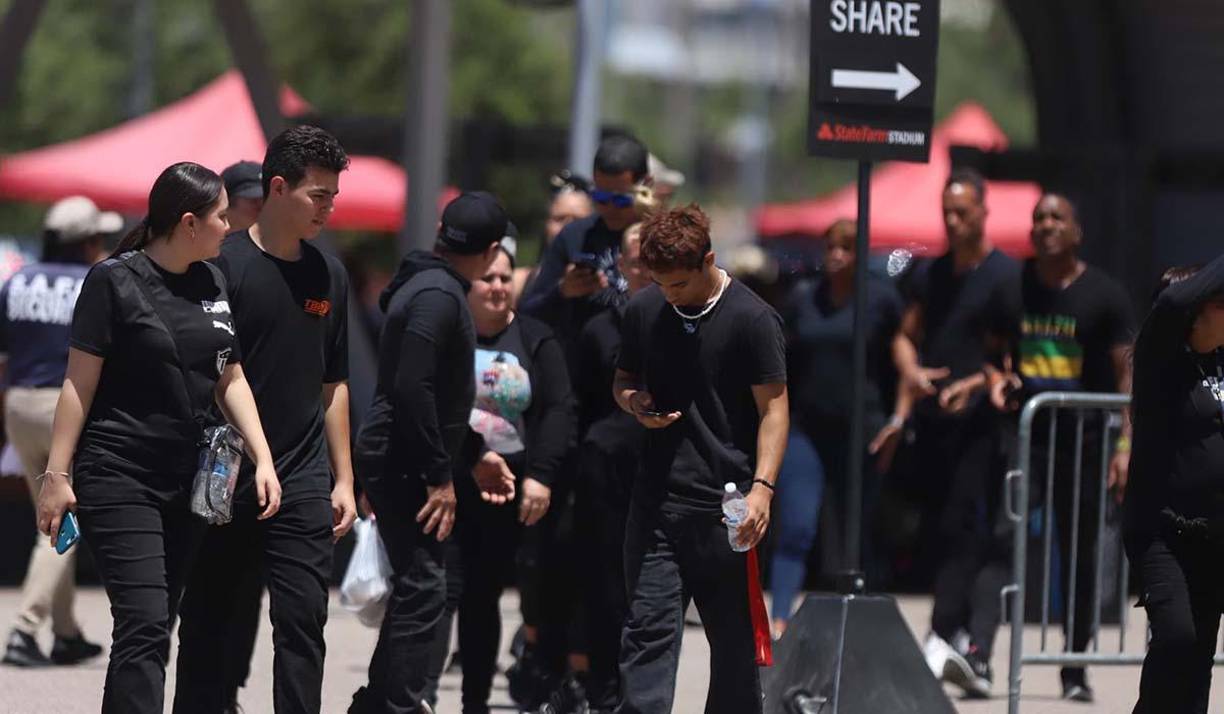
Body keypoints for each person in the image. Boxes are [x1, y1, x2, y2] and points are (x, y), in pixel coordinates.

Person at [35, 162, 282, 713]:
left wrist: (263, 458)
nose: (231, 226)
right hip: (118, 473)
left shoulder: (211, 280)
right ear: (189, 222)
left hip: (185, 479)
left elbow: (230, 376)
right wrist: (57, 474)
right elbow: (78, 384)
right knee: (145, 623)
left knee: (150, 629)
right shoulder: (112, 281)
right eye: (222, 217)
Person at [174, 126, 356, 714]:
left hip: (302, 476)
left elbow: (334, 384)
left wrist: (344, 478)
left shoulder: (330, 276)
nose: (330, 208)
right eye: (319, 196)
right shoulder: (220, 268)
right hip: (223, 472)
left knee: (303, 622)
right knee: (208, 619)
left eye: (334, 196)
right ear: (279, 188)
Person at [613, 204, 788, 714]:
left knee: (734, 649)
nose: (670, 295)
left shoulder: (753, 319)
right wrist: (633, 403)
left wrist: (763, 488)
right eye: (660, 284)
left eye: (680, 285)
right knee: (647, 632)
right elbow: (623, 380)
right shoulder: (644, 311)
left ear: (708, 260)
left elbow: (774, 410)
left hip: (727, 507)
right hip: (656, 504)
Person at [349, 191, 517, 714]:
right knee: (425, 587)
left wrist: (472, 453)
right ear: (492, 248)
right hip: (403, 459)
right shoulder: (437, 296)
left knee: (419, 586)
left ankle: (379, 703)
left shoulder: (432, 284)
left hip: (406, 453)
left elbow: (437, 397)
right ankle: (397, 703)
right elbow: (412, 387)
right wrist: (438, 475)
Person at [988, 193, 1134, 703]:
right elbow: (990, 352)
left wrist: (1125, 444)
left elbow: (1125, 374)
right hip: (1027, 439)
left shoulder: (1105, 295)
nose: (1045, 226)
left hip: (1085, 444)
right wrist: (997, 377)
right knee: (1001, 540)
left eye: (1056, 218)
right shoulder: (1013, 289)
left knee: (1078, 554)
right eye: (1038, 218)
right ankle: (980, 656)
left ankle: (1074, 665)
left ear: (1076, 232)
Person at [425, 242, 574, 714]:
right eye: (487, 278)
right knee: (441, 591)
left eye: (505, 279)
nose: (497, 287)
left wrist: (542, 477)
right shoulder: (448, 334)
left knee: (482, 597)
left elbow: (558, 409)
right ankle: (421, 695)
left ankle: (475, 702)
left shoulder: (534, 338)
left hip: (507, 490)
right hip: (447, 485)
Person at [896, 168, 1020, 698]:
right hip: (935, 426)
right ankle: (953, 633)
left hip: (984, 426)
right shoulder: (931, 273)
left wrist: (975, 384)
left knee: (972, 528)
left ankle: (948, 631)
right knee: (941, 528)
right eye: (946, 211)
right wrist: (912, 373)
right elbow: (905, 336)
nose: (952, 221)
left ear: (982, 211)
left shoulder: (1005, 276)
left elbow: (1012, 361)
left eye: (961, 212)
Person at [769, 219, 907, 635]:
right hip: (806, 430)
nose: (837, 255)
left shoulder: (880, 301)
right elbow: (778, 357)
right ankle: (779, 621)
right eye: (831, 246)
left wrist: (898, 419)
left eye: (847, 248)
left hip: (861, 433)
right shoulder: (803, 298)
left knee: (853, 535)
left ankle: (854, 627)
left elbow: (902, 355)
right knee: (796, 524)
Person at [0, 196, 116, 668]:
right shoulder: (94, 281)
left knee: (49, 517)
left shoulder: (17, 280)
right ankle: (25, 629)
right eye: (97, 237)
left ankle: (66, 633)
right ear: (85, 240)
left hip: (17, 406)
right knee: (65, 520)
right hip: (62, 408)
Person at [1123, 257, 1224, 714]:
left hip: (1214, 537)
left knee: (1198, 657)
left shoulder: (1219, 361)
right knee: (1177, 637)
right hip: (1162, 533)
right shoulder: (1159, 361)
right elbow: (1171, 301)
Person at [570, 222, 651, 712]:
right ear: (620, 264)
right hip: (605, 468)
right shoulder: (599, 325)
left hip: (660, 468)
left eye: (651, 257)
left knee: (649, 589)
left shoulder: (681, 321)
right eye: (635, 257)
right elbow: (578, 401)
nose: (641, 266)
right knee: (604, 582)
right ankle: (603, 690)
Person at [221, 161, 265, 233]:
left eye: (266, 199)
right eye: (254, 201)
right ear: (227, 203)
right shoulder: (203, 242)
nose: (263, 208)